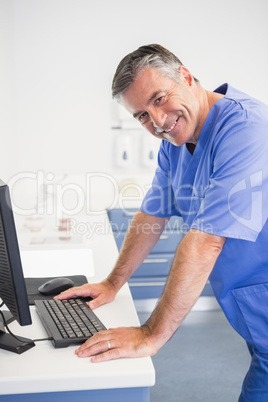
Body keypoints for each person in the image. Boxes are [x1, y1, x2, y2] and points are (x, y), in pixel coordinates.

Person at [55, 44, 268, 401]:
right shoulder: (175, 142)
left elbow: (206, 241)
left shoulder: (245, 129)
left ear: (185, 76)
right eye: (140, 115)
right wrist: (112, 282)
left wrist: (151, 334)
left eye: (158, 98)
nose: (156, 121)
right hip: (253, 310)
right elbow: (152, 214)